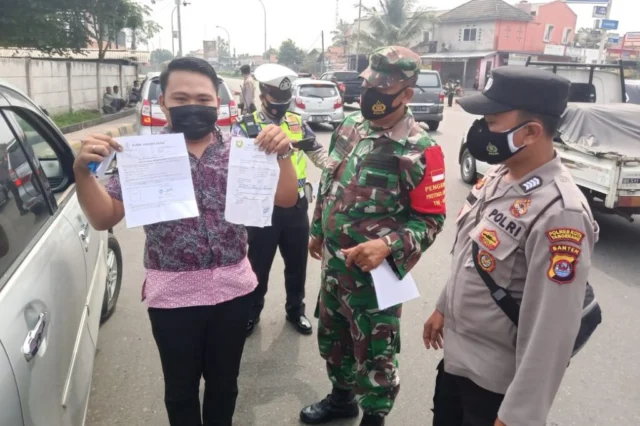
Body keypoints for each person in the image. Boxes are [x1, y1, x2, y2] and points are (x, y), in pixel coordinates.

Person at [73, 57, 299, 426]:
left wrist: (285, 153)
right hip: (173, 297)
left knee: (224, 385)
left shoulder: (243, 150)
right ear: (163, 103)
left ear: (218, 104)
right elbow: (104, 216)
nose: (193, 105)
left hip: (233, 293)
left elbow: (286, 199)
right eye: (181, 98)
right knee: (179, 390)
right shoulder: (142, 156)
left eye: (203, 99)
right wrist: (82, 171)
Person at [423, 66, 599, 426]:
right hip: (458, 362)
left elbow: (552, 331)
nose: (480, 130)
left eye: (491, 120)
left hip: (496, 388)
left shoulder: (560, 212)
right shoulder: (501, 174)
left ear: (531, 132)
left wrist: (519, 415)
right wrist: (443, 306)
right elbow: (471, 256)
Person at [300, 46, 446, 426]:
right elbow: (331, 179)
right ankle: (341, 399)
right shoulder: (349, 125)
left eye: (384, 87)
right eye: (369, 84)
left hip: (375, 277)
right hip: (335, 264)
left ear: (407, 94)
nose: (370, 94)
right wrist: (317, 229)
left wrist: (388, 246)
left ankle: (374, 416)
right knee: (334, 339)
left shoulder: (421, 149)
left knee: (375, 349)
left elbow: (430, 220)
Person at [232, 63, 329, 336]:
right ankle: (252, 312)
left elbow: (319, 155)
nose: (280, 106)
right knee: (257, 266)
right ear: (263, 95)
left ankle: (295, 311)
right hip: (262, 210)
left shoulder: (296, 123)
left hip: (296, 207)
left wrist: (340, 167)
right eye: (276, 100)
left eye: (285, 101)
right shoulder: (246, 127)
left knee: (297, 265)